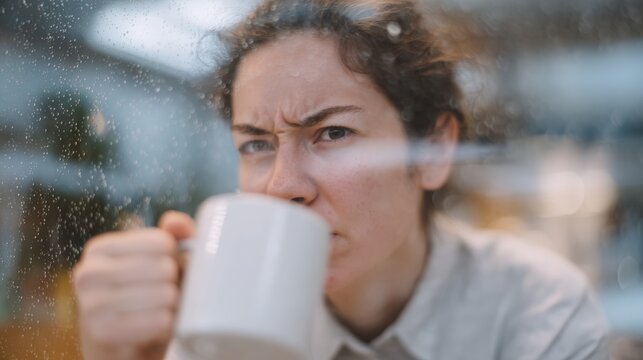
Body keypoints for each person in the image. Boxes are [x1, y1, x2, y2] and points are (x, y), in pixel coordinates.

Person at [72, 0, 609, 359]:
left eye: (331, 133)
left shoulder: (535, 314)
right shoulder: (218, 309)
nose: (283, 187)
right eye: (256, 143)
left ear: (434, 150)